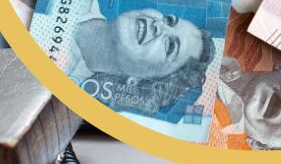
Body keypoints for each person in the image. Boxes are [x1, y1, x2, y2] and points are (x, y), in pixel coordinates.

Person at [73, 7, 212, 116]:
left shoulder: (69, 99)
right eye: (169, 20)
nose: (159, 25)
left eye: (170, 46)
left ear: (139, 81)